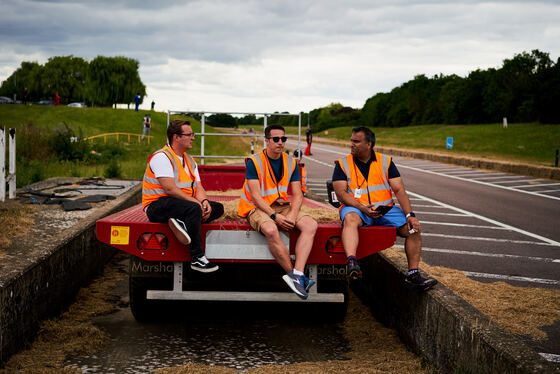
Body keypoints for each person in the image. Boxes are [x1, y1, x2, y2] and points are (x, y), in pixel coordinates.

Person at [332, 126, 437, 291]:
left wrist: (410, 215)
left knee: (413, 229)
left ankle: (413, 275)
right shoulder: (343, 164)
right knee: (350, 219)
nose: (352, 144)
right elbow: (341, 194)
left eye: (356, 141)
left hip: (385, 210)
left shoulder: (385, 162)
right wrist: (362, 208)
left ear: (369, 144)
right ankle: (352, 262)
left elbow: (399, 190)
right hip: (357, 209)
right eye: (351, 141)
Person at [238, 124, 318, 299]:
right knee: (271, 229)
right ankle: (293, 275)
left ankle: (298, 273)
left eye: (283, 139)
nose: (280, 142)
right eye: (276, 139)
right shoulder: (254, 161)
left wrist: (290, 214)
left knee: (311, 225)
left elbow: (298, 194)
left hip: (280, 204)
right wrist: (275, 216)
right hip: (256, 206)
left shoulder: (291, 162)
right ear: (267, 141)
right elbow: (256, 197)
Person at [142, 120, 224, 273]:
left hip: (180, 205)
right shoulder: (162, 157)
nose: (193, 137)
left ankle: (182, 222)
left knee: (218, 208)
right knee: (193, 208)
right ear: (176, 137)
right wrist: (196, 204)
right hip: (157, 206)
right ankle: (197, 258)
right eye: (189, 134)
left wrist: (204, 201)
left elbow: (198, 187)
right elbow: (170, 189)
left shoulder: (190, 160)